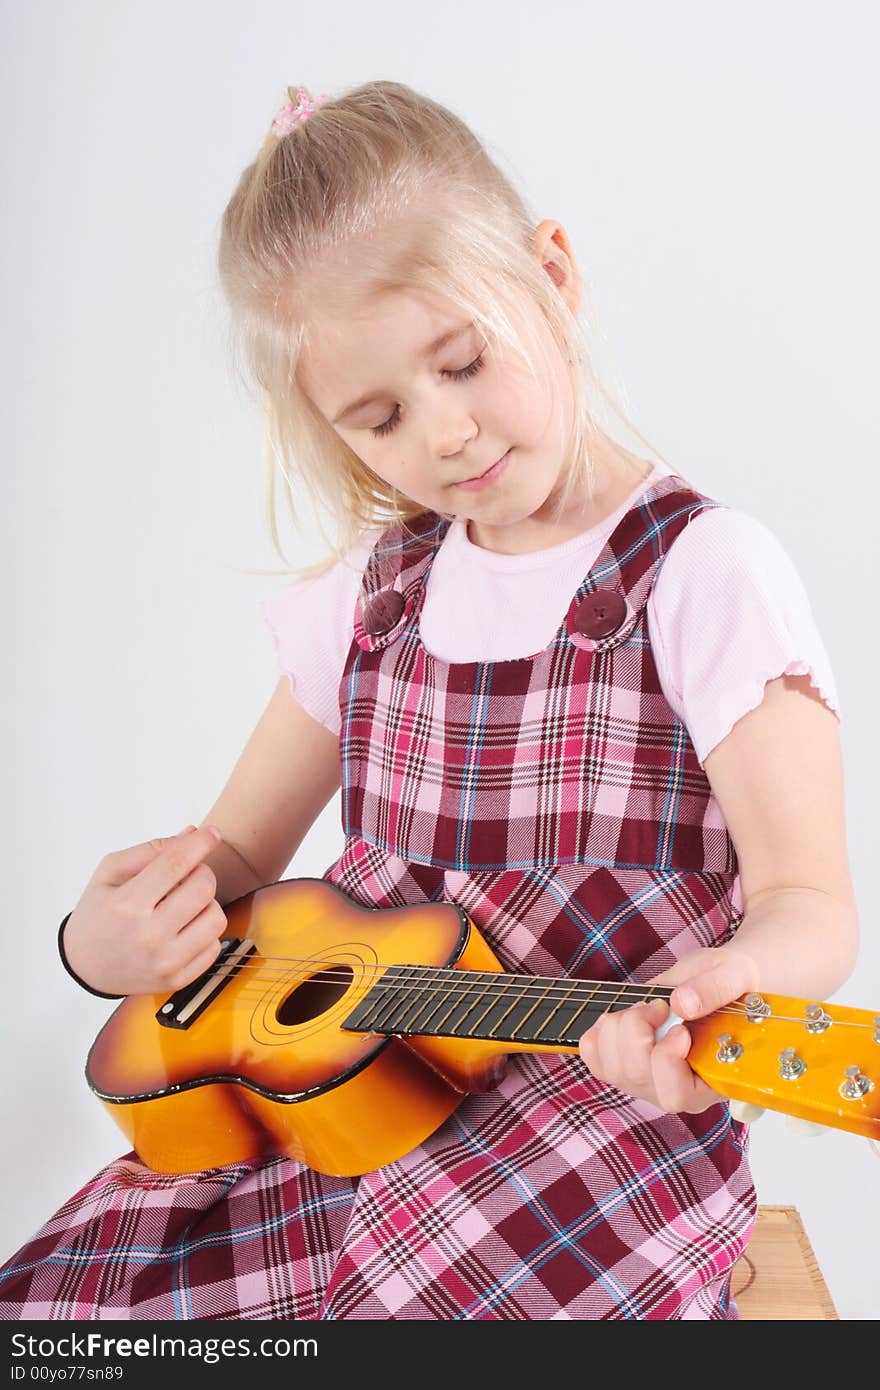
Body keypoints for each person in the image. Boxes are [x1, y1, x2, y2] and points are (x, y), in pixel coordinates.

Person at [0, 80, 859, 1321]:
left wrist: (729, 978)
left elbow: (808, 903)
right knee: (71, 1304)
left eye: (462, 362)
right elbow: (231, 861)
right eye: (381, 417)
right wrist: (99, 945)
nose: (445, 434)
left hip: (593, 1140)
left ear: (553, 275)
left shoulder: (700, 574)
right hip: (343, 1107)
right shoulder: (373, 596)